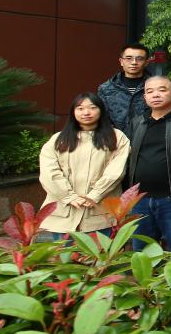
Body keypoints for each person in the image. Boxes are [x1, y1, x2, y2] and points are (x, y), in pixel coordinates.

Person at [38, 93, 131, 240]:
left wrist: (94, 195)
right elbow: (49, 173)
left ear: (101, 110)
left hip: (100, 213)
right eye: (80, 108)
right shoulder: (58, 139)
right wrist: (69, 196)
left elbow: (116, 171)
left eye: (92, 108)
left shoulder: (116, 137)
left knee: (99, 253)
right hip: (64, 212)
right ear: (73, 112)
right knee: (64, 254)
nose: (86, 112)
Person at [124, 76, 171, 251]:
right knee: (141, 249)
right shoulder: (138, 122)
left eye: (162, 90)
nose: (155, 95)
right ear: (145, 97)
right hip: (140, 199)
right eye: (149, 91)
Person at [98, 43, 149, 132]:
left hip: (148, 137)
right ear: (121, 61)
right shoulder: (106, 88)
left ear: (146, 62)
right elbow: (103, 119)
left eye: (139, 59)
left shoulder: (155, 87)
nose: (134, 62)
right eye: (129, 58)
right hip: (116, 138)